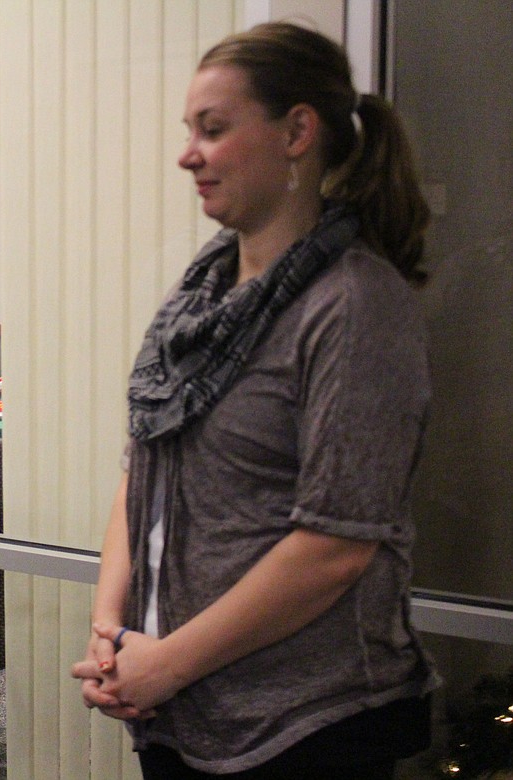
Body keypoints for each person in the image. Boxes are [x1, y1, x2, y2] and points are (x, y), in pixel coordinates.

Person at [70, 22, 438, 779]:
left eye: (213, 128)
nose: (188, 154)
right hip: (180, 713)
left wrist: (168, 662)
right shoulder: (199, 295)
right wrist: (112, 627)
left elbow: (335, 545)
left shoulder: (356, 304)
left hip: (306, 726)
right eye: (189, 131)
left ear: (298, 131)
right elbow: (144, 466)